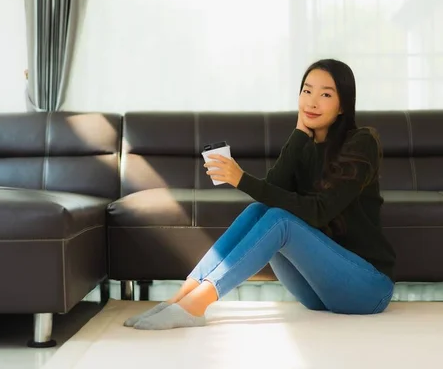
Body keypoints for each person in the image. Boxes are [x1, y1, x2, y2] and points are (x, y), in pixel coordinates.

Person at [124, 59, 397, 331]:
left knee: (280, 221)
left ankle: (195, 306)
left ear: (343, 105)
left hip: (367, 289)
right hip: (319, 293)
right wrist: (299, 135)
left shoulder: (361, 142)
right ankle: (180, 298)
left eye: (325, 94)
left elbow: (319, 210)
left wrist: (240, 178)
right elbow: (270, 194)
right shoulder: (304, 145)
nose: (312, 102)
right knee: (259, 212)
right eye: (306, 91)